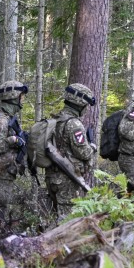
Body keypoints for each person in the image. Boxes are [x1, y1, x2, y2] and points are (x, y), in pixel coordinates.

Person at [45, 83, 97, 219]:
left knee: (55, 216)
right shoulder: (74, 124)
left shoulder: (56, 119)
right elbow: (84, 153)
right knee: (67, 220)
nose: (86, 109)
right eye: (86, 105)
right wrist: (92, 146)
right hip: (67, 178)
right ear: (80, 104)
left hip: (52, 176)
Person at [0, 80, 29, 220]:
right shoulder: (1, 120)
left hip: (5, 176)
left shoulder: (9, 118)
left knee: (0, 215)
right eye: (21, 96)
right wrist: (12, 140)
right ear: (14, 96)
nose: (23, 100)